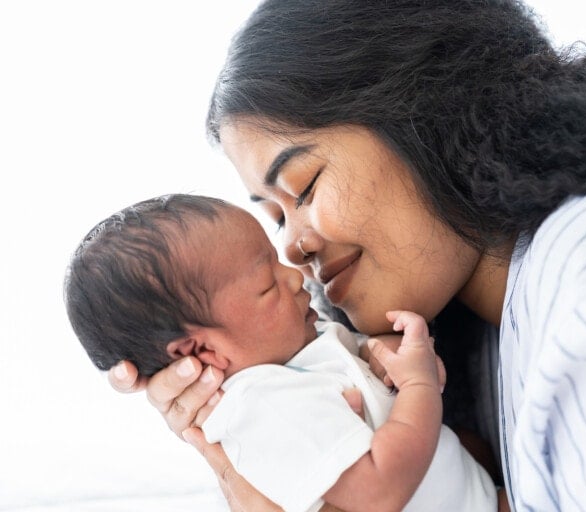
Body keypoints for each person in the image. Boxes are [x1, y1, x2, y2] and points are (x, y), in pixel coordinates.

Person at [108, 0, 586, 510]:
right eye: (275, 216)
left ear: (428, 113)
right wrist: (250, 454)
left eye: (304, 188)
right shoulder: (493, 335)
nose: (292, 244)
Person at [65, 194, 500, 512]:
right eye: (267, 284)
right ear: (202, 350)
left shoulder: (295, 352)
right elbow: (379, 492)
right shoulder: (263, 403)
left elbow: (354, 367)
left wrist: (381, 355)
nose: (296, 278)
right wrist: (418, 385)